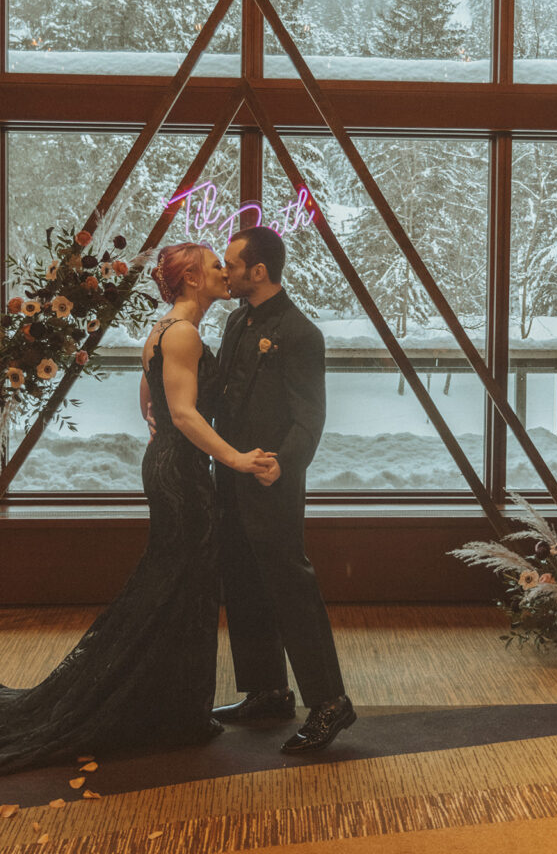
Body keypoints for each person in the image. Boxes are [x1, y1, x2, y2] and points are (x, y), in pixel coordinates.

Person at [0, 242, 268, 795]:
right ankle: (163, 708)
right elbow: (185, 411)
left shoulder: (167, 329)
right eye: (215, 265)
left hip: (171, 464)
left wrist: (159, 421)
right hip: (182, 475)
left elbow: (151, 394)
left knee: (175, 583)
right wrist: (236, 458)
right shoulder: (184, 333)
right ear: (191, 278)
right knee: (179, 583)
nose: (224, 272)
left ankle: (163, 703)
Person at [212, 226, 356, 753]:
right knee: (244, 580)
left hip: (271, 479)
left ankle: (331, 703)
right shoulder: (234, 320)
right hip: (229, 473)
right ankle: (268, 691)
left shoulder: (300, 333)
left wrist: (284, 465)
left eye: (230, 265)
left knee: (291, 588)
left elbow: (310, 415)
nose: (223, 273)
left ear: (258, 271)